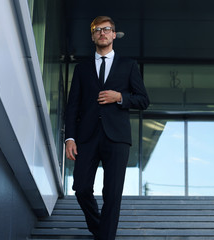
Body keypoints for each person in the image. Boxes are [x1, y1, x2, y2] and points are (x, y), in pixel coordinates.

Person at [64, 16, 149, 240]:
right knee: (81, 188)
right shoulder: (81, 69)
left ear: (114, 34)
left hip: (117, 138)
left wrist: (120, 96)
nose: (102, 33)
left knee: (112, 194)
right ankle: (101, 230)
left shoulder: (128, 65)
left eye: (107, 29)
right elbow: (72, 106)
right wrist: (69, 138)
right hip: (87, 137)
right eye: (97, 30)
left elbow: (143, 100)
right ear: (93, 37)